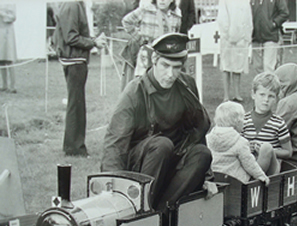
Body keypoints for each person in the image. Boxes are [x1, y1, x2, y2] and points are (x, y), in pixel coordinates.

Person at [102, 33, 214, 212]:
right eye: (165, 65)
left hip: (172, 162)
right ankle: (140, 209)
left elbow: (196, 130)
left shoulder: (187, 86)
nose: (170, 74)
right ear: (154, 60)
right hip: (142, 166)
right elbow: (115, 144)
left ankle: (162, 212)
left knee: (202, 154)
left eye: (176, 67)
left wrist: (207, 177)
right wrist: (112, 194)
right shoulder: (134, 92)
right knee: (162, 145)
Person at [53, 1, 106, 157]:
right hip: (74, 60)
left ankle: (73, 146)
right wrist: (93, 42)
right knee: (76, 105)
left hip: (76, 59)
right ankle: (74, 148)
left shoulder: (75, 4)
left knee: (76, 104)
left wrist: (92, 39)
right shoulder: (72, 4)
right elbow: (71, 37)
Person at [120, 0, 181, 91]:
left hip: (166, 55)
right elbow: (126, 21)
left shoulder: (176, 15)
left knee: (164, 84)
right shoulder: (146, 10)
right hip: (148, 53)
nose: (162, 1)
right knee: (143, 85)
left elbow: (176, 34)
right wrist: (139, 38)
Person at [207, 101, 269, 185]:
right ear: (238, 122)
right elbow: (249, 164)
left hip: (214, 178)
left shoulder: (208, 139)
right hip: (236, 181)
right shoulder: (240, 142)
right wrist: (261, 176)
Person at [242, 72, 292, 175]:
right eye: (262, 95)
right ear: (253, 95)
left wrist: (269, 151)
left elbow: (288, 152)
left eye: (271, 96)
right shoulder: (243, 120)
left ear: (276, 99)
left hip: (270, 168)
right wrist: (247, 147)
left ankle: (253, 179)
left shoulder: (278, 123)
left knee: (266, 148)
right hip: (249, 163)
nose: (266, 100)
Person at [217, 0, 252, 102]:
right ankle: (226, 95)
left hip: (241, 39)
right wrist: (227, 33)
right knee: (226, 66)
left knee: (238, 66)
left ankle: (237, 93)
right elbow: (222, 18)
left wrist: (247, 35)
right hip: (228, 39)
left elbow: (248, 18)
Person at [250, 0, 289, 75]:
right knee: (257, 67)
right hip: (255, 37)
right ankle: (261, 85)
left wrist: (274, 23)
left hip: (271, 36)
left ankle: (269, 86)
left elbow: (284, 13)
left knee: (268, 66)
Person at [0, 4, 17, 94]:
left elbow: (13, 17)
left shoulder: (10, 3)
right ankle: (4, 85)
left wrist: (2, 14)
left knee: (9, 60)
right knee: (1, 60)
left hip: (8, 34)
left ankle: (13, 86)